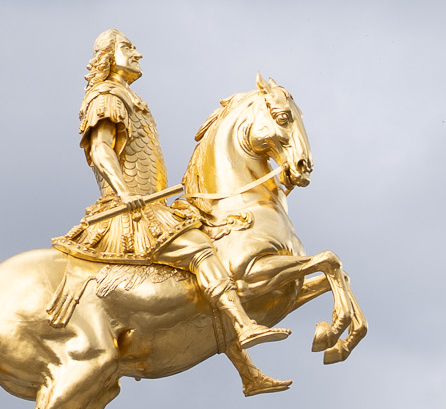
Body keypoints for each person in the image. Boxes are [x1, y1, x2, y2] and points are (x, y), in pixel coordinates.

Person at [56, 29, 290, 390]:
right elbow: (101, 150)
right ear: (108, 57)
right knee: (202, 252)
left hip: (153, 206)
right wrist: (124, 193)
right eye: (128, 47)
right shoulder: (106, 98)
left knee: (203, 277)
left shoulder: (130, 99)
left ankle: (249, 374)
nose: (137, 53)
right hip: (129, 212)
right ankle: (244, 325)